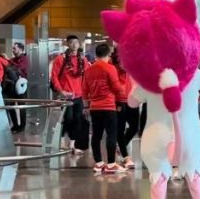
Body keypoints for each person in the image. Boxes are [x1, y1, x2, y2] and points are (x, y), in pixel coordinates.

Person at [82, 43, 125, 174]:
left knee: (96, 135)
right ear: (109, 54)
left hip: (94, 108)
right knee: (111, 135)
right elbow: (116, 87)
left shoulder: (89, 70)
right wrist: (121, 100)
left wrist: (86, 106)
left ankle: (99, 163)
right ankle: (111, 164)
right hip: (109, 106)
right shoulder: (110, 68)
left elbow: (84, 90)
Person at [50, 35, 89, 154]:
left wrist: (86, 93)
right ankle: (61, 139)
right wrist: (61, 91)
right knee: (68, 118)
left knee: (77, 120)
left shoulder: (83, 60)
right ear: (67, 44)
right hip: (66, 95)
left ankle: (73, 144)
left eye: (76, 42)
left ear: (79, 44)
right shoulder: (60, 59)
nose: (74, 45)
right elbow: (54, 76)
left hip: (79, 95)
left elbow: (87, 76)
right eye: (71, 42)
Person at [111, 47, 138, 171]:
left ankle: (121, 146)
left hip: (132, 98)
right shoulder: (112, 65)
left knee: (134, 127)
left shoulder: (133, 63)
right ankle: (125, 156)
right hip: (119, 100)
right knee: (120, 129)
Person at [5, 42, 29, 133]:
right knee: (11, 106)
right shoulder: (12, 60)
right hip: (11, 87)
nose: (13, 50)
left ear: (20, 49)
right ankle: (15, 125)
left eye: (14, 48)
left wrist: (9, 62)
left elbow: (20, 69)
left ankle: (22, 126)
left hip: (21, 87)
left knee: (21, 107)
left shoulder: (25, 60)